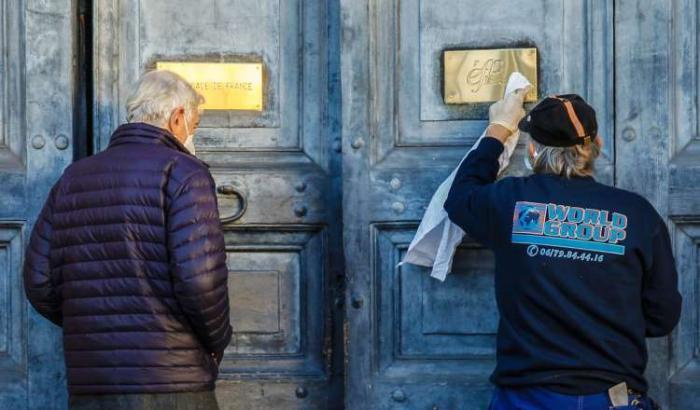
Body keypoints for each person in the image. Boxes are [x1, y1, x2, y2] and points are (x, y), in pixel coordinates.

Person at [444, 89, 681, 409]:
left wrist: (499, 128)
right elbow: (662, 317)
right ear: (596, 146)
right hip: (611, 396)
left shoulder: (510, 202)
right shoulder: (637, 214)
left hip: (527, 398)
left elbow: (460, 197)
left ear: (532, 151)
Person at [23, 70, 232, 410]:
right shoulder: (184, 173)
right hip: (172, 381)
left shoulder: (74, 177)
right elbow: (200, 281)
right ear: (178, 117)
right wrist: (217, 341)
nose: (192, 134)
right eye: (194, 125)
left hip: (93, 381)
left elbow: (39, 281)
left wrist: (91, 326)